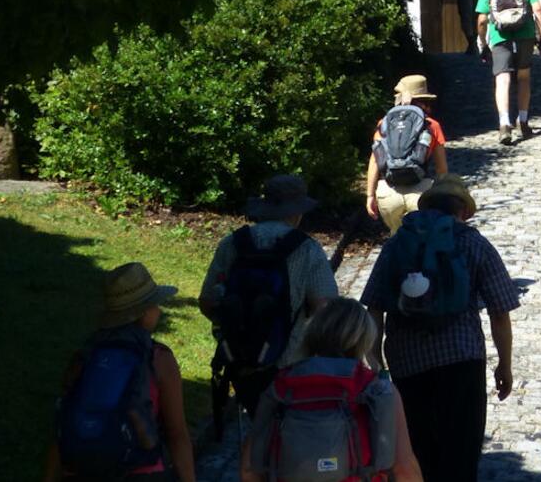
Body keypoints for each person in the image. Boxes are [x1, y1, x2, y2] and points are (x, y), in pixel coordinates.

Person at [361, 175, 519, 482]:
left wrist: (376, 363)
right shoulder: (474, 243)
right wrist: (505, 365)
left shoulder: (396, 244)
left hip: (407, 362)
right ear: (462, 210)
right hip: (461, 359)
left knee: (418, 451)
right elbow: (500, 311)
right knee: (461, 452)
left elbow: (374, 307)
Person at [240, 298, 424, 482]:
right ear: (364, 340)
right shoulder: (376, 390)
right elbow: (404, 469)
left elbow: (249, 469)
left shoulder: (282, 386)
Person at [44, 262, 196, 482]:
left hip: (83, 471)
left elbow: (62, 425)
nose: (158, 310)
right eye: (154, 304)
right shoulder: (159, 359)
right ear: (143, 314)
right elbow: (177, 434)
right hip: (142, 473)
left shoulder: (85, 356)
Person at [198, 174, 338, 412]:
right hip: (291, 362)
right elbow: (324, 307)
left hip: (239, 357)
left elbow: (207, 302)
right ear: (297, 212)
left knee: (256, 429)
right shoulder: (307, 249)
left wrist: (240, 326)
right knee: (283, 431)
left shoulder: (232, 243)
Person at [475, 0, 541, 145]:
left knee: (502, 79)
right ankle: (524, 121)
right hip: (524, 34)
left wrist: (482, 43)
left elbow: (482, 20)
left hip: (500, 35)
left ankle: (504, 124)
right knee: (524, 76)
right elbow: (539, 10)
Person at [365, 75, 449, 233]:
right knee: (422, 243)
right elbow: (441, 169)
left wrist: (370, 195)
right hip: (420, 193)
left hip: (389, 194)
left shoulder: (384, 124)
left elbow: (375, 161)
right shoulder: (432, 125)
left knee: (398, 241)